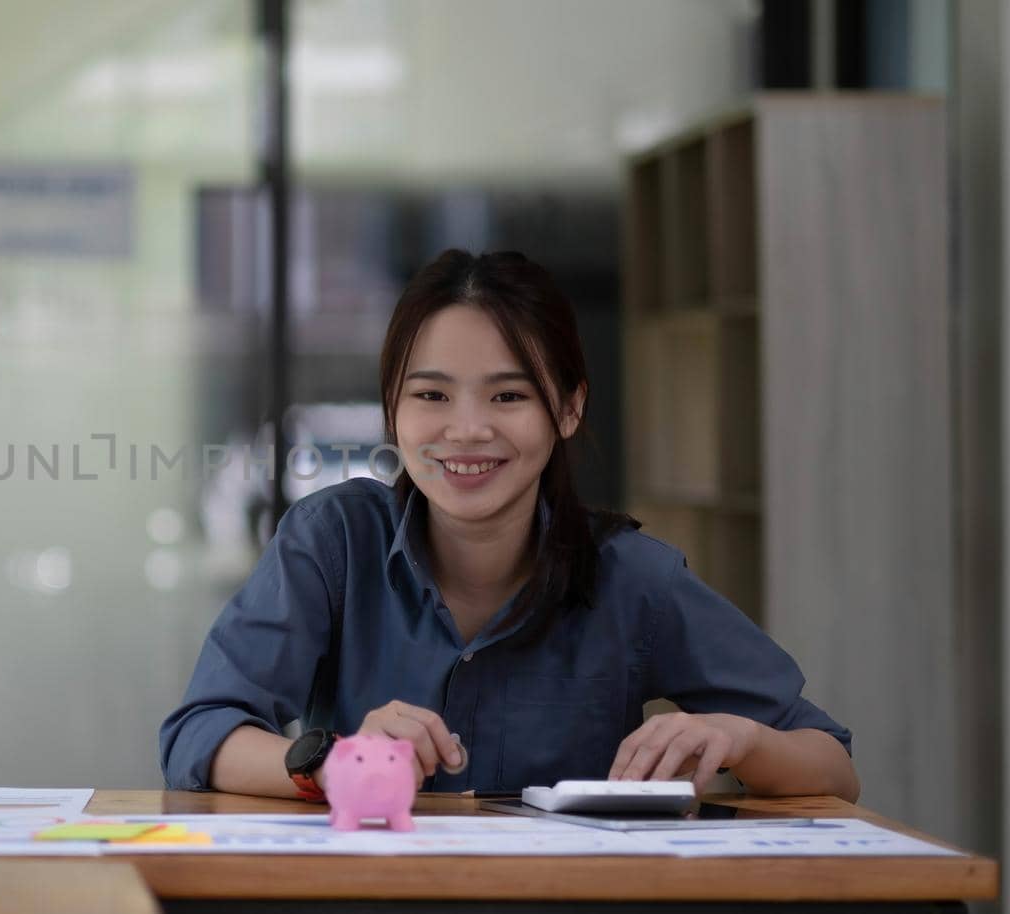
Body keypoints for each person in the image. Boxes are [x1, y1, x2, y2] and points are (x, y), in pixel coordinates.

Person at [158, 249, 859, 803]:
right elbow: (200, 732)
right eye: (431, 394)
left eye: (509, 394)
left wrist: (738, 738)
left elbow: (831, 763)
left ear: (568, 408)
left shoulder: (633, 578)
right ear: (392, 410)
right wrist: (333, 764)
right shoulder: (334, 542)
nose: (467, 430)